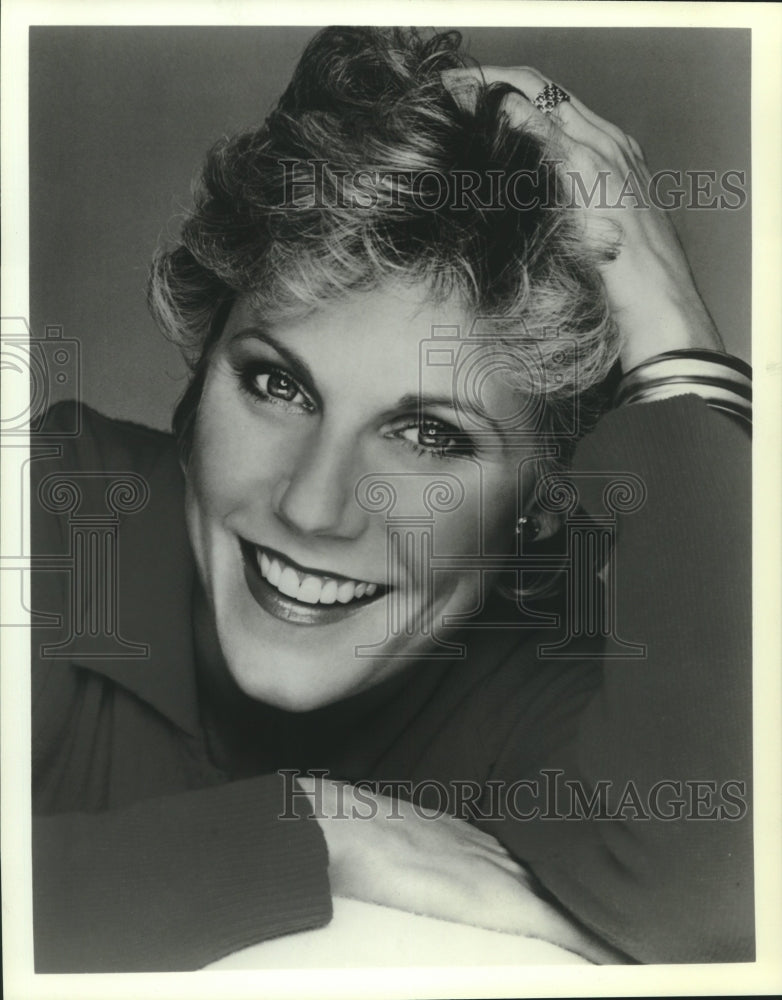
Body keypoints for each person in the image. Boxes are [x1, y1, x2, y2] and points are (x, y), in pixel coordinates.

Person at [30, 26, 752, 971]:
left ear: (543, 494)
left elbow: (725, 895)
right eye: (277, 386)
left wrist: (679, 351)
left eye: (430, 436)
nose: (314, 508)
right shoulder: (52, 517)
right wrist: (319, 832)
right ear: (203, 366)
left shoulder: (549, 675)